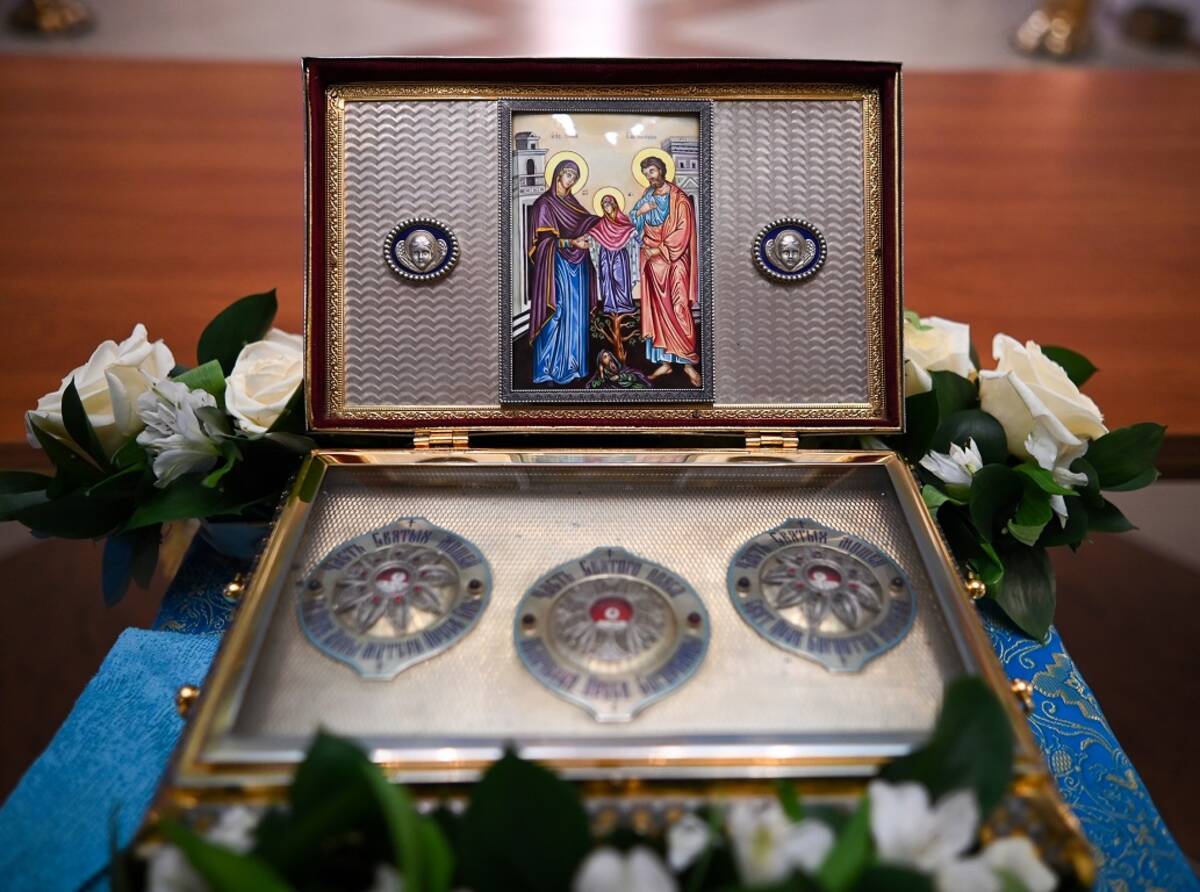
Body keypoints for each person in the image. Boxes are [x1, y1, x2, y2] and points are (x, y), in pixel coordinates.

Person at [526, 159, 600, 385]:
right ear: (558, 175)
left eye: (575, 177)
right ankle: (547, 368)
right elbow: (543, 243)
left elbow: (588, 223)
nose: (572, 180)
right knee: (557, 312)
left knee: (576, 315)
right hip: (555, 266)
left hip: (578, 268)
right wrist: (571, 243)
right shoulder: (544, 204)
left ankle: (574, 366)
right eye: (569, 175)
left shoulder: (573, 204)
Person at [631, 156, 700, 386]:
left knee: (679, 307)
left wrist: (659, 249)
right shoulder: (647, 196)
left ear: (662, 170)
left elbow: (683, 230)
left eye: (652, 171)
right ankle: (665, 362)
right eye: (646, 174)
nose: (649, 177)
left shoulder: (679, 199)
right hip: (653, 264)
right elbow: (634, 222)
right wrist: (640, 212)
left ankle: (688, 363)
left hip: (674, 260)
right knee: (658, 312)